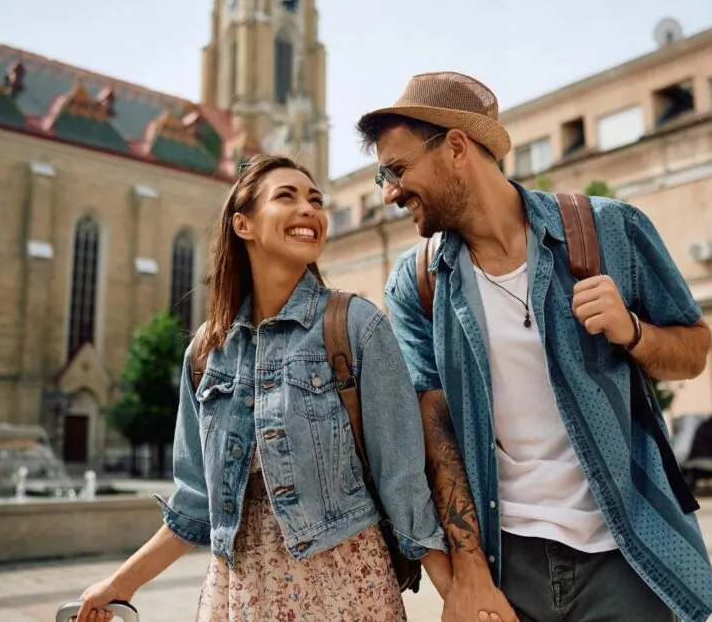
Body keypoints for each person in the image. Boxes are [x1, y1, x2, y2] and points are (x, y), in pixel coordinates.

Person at [355, 72, 712, 622]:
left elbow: (693, 350)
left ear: (456, 147)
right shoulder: (419, 280)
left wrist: (634, 332)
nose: (389, 192)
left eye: (397, 170)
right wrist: (469, 569)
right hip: (508, 564)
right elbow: (433, 424)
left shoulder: (608, 230)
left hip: (627, 554)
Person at [73, 154, 450, 622]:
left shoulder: (355, 326)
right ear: (243, 225)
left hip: (343, 588)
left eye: (315, 199)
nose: (309, 209)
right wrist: (119, 584)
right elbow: (194, 503)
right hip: (236, 591)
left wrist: (457, 595)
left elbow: (404, 482)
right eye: (286, 196)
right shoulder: (205, 354)